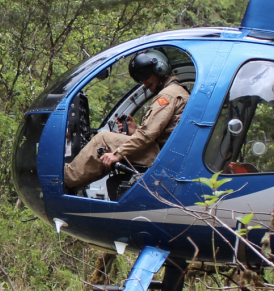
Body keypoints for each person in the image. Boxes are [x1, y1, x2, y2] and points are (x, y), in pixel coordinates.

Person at [64, 49, 190, 192]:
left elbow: (147, 135)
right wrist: (134, 131)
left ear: (160, 68)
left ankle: (63, 179)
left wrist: (116, 154)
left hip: (164, 156)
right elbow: (160, 133)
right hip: (168, 153)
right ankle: (72, 185)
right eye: (139, 78)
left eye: (145, 75)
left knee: (102, 140)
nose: (143, 82)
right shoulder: (178, 91)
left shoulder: (168, 95)